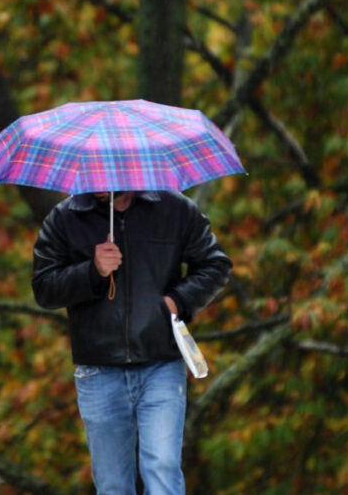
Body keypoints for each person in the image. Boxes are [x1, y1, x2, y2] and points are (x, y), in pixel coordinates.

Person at [32, 189, 232, 494]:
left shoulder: (175, 209)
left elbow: (216, 265)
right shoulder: (64, 218)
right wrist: (92, 271)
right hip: (98, 370)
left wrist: (177, 301)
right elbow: (44, 288)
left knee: (162, 469)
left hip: (161, 364)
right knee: (113, 485)